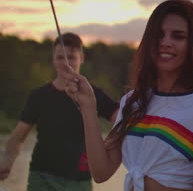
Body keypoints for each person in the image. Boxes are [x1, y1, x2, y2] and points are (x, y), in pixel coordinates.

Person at [62, 0, 193, 191]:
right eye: (159, 35)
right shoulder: (133, 102)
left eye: (178, 36)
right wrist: (88, 107)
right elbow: (101, 173)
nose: (165, 42)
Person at [0, 32, 119, 191]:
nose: (66, 64)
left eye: (71, 57)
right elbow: (17, 137)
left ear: (81, 58)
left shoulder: (93, 95)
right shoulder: (39, 96)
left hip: (79, 181)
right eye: (60, 57)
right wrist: (7, 159)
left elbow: (122, 119)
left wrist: (107, 148)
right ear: (53, 59)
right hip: (41, 178)